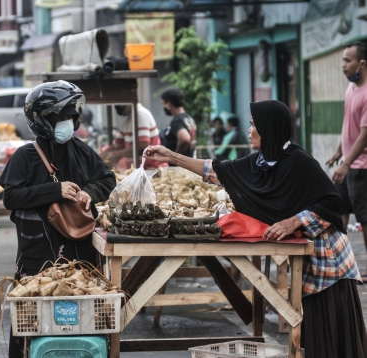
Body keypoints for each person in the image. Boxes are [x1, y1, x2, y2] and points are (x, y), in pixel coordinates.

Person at [144, 100, 366, 358]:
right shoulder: (261, 162)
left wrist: (293, 221)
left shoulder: (299, 162)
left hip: (330, 262)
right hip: (308, 260)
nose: (249, 130)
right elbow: (216, 170)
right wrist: (171, 156)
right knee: (314, 334)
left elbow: (331, 202)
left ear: (269, 129)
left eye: (254, 124)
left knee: (331, 334)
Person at [0, 80, 116, 358]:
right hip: (37, 257)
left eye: (70, 117)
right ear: (43, 121)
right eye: (60, 118)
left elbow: (107, 179)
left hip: (82, 253)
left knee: (83, 320)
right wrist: (55, 190)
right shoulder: (25, 156)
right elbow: (11, 197)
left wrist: (89, 192)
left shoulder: (81, 150)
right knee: (31, 320)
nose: (68, 124)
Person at [327, 41, 367, 259]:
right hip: (348, 163)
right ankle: (339, 261)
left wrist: (346, 163)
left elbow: (364, 134)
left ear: (362, 64)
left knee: (364, 219)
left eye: (347, 60)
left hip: (361, 167)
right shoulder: (351, 87)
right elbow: (348, 125)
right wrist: (339, 152)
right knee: (340, 210)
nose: (343, 65)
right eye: (343, 60)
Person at [100, 103, 167, 170]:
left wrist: (119, 154)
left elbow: (143, 145)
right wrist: (100, 156)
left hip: (153, 169)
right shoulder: (129, 119)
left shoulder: (140, 114)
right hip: (141, 170)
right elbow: (118, 145)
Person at [160, 88, 197, 157]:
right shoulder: (188, 118)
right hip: (189, 161)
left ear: (169, 104)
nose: (163, 107)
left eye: (163, 103)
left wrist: (175, 156)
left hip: (180, 165)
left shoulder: (177, 121)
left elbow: (185, 138)